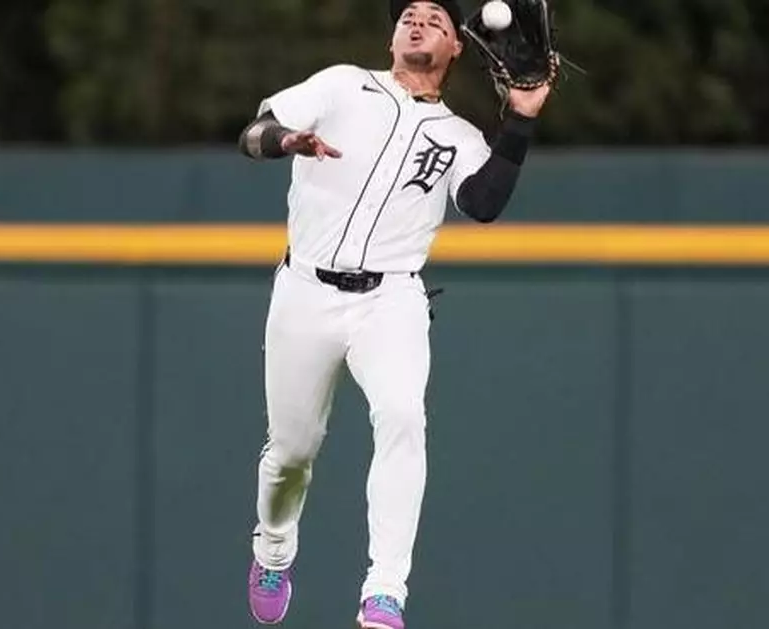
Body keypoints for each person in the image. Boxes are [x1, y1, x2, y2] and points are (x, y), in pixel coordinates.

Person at [236, 1, 551, 627]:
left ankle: (385, 592)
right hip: (305, 289)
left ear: (458, 46)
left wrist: (520, 117)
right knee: (292, 452)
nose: (418, 22)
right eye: (408, 13)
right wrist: (284, 140)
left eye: (436, 18)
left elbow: (483, 204)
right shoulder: (340, 84)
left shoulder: (458, 135)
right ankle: (273, 547)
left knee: (404, 416)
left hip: (392, 298)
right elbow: (251, 135)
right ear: (391, 35)